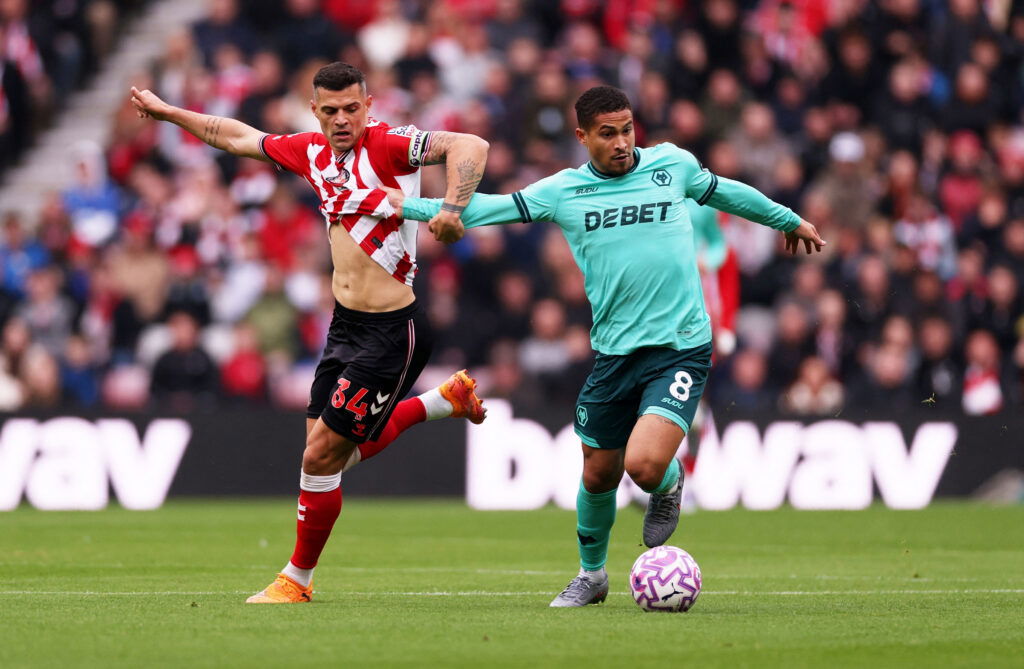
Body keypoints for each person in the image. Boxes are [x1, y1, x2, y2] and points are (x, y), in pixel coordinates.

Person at [389, 85, 824, 607]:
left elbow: (729, 191)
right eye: (607, 133)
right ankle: (592, 577)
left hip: (681, 345)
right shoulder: (564, 191)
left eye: (627, 129)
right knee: (598, 471)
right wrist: (406, 206)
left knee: (641, 465)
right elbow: (489, 209)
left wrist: (788, 219)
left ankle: (667, 480)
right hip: (615, 353)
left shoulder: (672, 166)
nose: (621, 142)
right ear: (582, 137)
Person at [129, 61, 489, 604]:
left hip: (395, 329)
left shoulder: (393, 144)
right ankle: (442, 401)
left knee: (320, 458)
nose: (342, 119)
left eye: (351, 108)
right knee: (329, 457)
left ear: (368, 106)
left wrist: (453, 208)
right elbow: (237, 136)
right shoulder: (312, 153)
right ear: (315, 111)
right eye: (330, 110)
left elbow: (471, 145)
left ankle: (296, 580)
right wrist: (168, 113)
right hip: (345, 325)